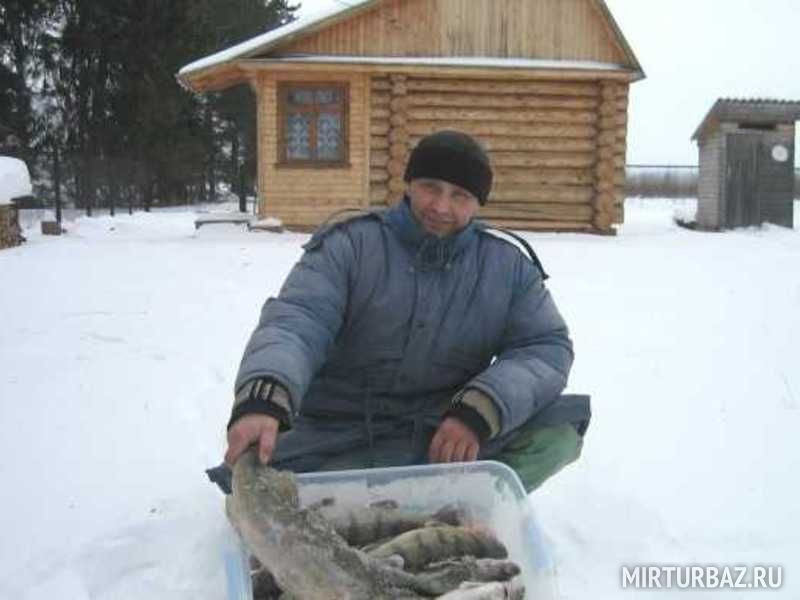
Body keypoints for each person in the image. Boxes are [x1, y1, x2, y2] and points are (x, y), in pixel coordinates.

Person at [222, 130, 590, 493]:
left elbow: (545, 347)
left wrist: (480, 410)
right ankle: (400, 502)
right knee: (257, 470)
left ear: (478, 204)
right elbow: (298, 322)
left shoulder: (507, 267)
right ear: (409, 183)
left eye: (459, 195)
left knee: (556, 434)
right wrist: (265, 397)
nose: (441, 207)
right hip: (336, 435)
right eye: (431, 186)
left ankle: (455, 508)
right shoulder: (350, 245)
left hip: (442, 438)